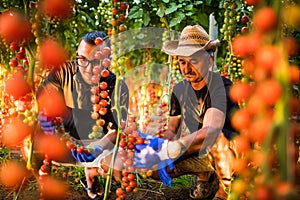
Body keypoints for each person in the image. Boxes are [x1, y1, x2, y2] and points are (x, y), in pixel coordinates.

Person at [134, 25, 238, 200]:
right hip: (203, 151)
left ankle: (227, 190)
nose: (187, 69)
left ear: (209, 60)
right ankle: (206, 177)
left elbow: (211, 131)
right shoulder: (180, 90)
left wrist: (170, 149)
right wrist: (154, 146)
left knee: (214, 139)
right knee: (153, 169)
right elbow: (171, 130)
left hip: (232, 151)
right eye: (183, 62)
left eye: (194, 61)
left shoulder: (221, 87)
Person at [38, 31, 129, 200]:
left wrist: (99, 147)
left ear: (106, 61)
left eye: (95, 62)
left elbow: (118, 131)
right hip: (60, 140)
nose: (87, 67)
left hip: (94, 142)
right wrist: (48, 125)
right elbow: (43, 105)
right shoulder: (60, 74)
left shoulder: (117, 86)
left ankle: (92, 172)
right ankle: (45, 171)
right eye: (82, 59)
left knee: (119, 153)